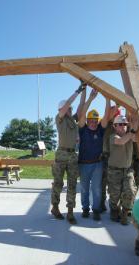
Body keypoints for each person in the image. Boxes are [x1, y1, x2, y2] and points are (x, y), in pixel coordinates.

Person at [50, 82, 86, 225]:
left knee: (72, 184)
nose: (70, 110)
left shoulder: (73, 120)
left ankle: (70, 212)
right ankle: (55, 207)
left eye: (70, 109)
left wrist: (85, 91)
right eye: (67, 108)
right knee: (58, 183)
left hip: (72, 156)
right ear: (62, 109)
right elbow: (68, 104)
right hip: (61, 154)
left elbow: (81, 106)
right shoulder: (59, 119)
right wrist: (77, 91)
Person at [77, 89, 112, 221]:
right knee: (84, 188)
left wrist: (107, 99)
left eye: (95, 120)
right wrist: (91, 99)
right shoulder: (82, 129)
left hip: (97, 164)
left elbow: (107, 116)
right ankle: (85, 209)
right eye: (91, 120)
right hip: (84, 164)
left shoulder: (100, 130)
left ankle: (96, 210)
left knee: (96, 189)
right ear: (88, 120)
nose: (93, 122)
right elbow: (82, 114)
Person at [107, 114, 138, 225]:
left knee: (130, 191)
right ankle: (114, 210)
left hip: (127, 170)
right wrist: (132, 131)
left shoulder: (130, 136)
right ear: (115, 126)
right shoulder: (113, 137)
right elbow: (121, 141)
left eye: (125, 124)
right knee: (114, 194)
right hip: (114, 170)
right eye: (120, 124)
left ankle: (125, 212)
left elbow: (134, 137)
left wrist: (135, 120)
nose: (123, 126)